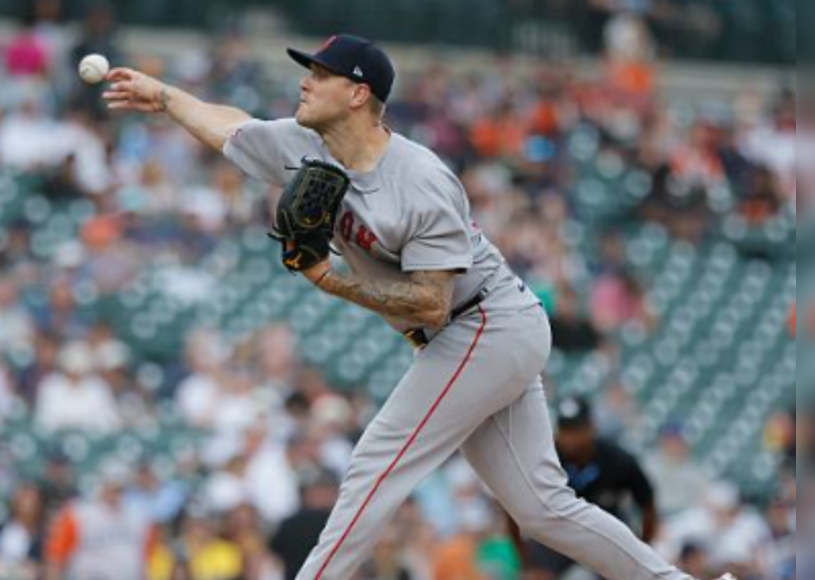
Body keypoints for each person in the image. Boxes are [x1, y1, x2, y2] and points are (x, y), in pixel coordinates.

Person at [101, 33, 734, 580]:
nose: (305, 81)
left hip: (483, 322)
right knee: (542, 508)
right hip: (474, 333)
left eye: (319, 73)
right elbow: (230, 127)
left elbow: (430, 304)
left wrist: (328, 279)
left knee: (375, 462)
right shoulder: (306, 143)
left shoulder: (420, 179)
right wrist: (163, 97)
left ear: (357, 93)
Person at [507, 397, 660, 580]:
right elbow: (510, 506)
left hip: (606, 534)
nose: (570, 438)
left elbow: (647, 504)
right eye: (565, 431)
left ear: (591, 427)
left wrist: (642, 549)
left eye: (576, 430)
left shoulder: (618, 460)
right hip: (557, 533)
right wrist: (526, 558)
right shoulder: (544, 460)